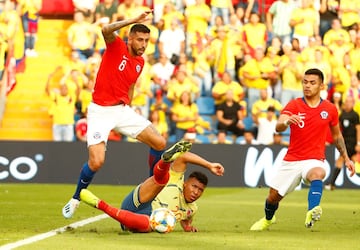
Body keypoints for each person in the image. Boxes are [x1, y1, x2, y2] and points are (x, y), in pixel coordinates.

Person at [62, 11, 170, 219]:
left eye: (147, 41)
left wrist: (128, 105)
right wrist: (133, 20)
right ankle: (75, 198)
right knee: (96, 162)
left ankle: (150, 191)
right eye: (140, 39)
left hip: (121, 110)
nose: (144, 44)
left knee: (159, 142)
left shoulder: (140, 62)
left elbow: (130, 84)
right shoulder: (116, 46)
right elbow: (105, 30)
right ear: (130, 38)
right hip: (99, 111)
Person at [250, 68, 356, 231]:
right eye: (305, 82)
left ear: (321, 86)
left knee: (318, 174)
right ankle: (268, 219)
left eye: (312, 83)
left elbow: (337, 136)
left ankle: (312, 210)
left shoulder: (330, 109)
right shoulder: (294, 104)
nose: (307, 86)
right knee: (273, 197)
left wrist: (347, 158)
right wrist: (286, 122)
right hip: (292, 159)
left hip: (314, 159)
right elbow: (278, 126)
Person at [79, 143, 225, 232]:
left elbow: (186, 220)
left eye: (200, 190)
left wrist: (187, 227)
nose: (196, 192)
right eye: (194, 186)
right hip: (140, 200)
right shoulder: (178, 179)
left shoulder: (192, 209)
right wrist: (209, 165)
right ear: (186, 183)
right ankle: (165, 161)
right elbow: (183, 156)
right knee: (162, 181)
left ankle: (99, 204)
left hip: (139, 219)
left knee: (150, 225)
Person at [325, 96, 360, 190]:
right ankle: (332, 184)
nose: (347, 103)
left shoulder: (355, 115)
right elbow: (337, 129)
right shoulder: (342, 115)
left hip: (352, 142)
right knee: (350, 160)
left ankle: (331, 184)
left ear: (353, 103)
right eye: (346, 102)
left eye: (349, 102)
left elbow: (358, 129)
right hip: (345, 141)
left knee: (340, 160)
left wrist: (358, 143)